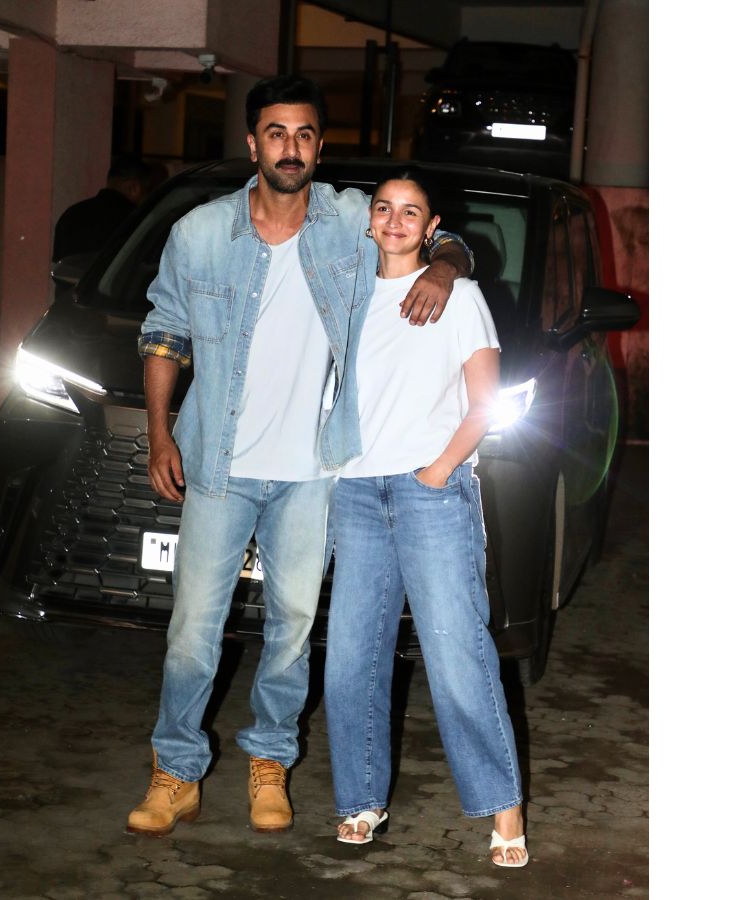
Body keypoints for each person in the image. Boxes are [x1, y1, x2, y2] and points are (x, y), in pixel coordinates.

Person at [126, 76, 474, 837]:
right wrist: (159, 434)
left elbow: (439, 233)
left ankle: (269, 764)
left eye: (305, 134)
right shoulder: (200, 233)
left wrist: (445, 267)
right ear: (253, 143)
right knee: (192, 631)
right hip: (219, 466)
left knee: (290, 629)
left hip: (314, 472)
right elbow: (164, 332)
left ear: (320, 146)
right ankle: (175, 772)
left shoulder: (350, 220)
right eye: (277, 133)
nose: (291, 148)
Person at [323, 170, 529, 868]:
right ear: (369, 221)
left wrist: (438, 470)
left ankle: (503, 805)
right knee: (352, 655)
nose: (394, 220)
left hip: (430, 492)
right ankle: (360, 798)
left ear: (432, 225)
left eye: (411, 211)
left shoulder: (459, 295)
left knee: (455, 652)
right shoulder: (349, 295)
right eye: (384, 208)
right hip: (356, 491)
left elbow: (486, 403)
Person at [52, 155, 159, 261]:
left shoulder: (71, 214)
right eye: (149, 193)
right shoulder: (136, 222)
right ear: (134, 188)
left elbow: (58, 265)